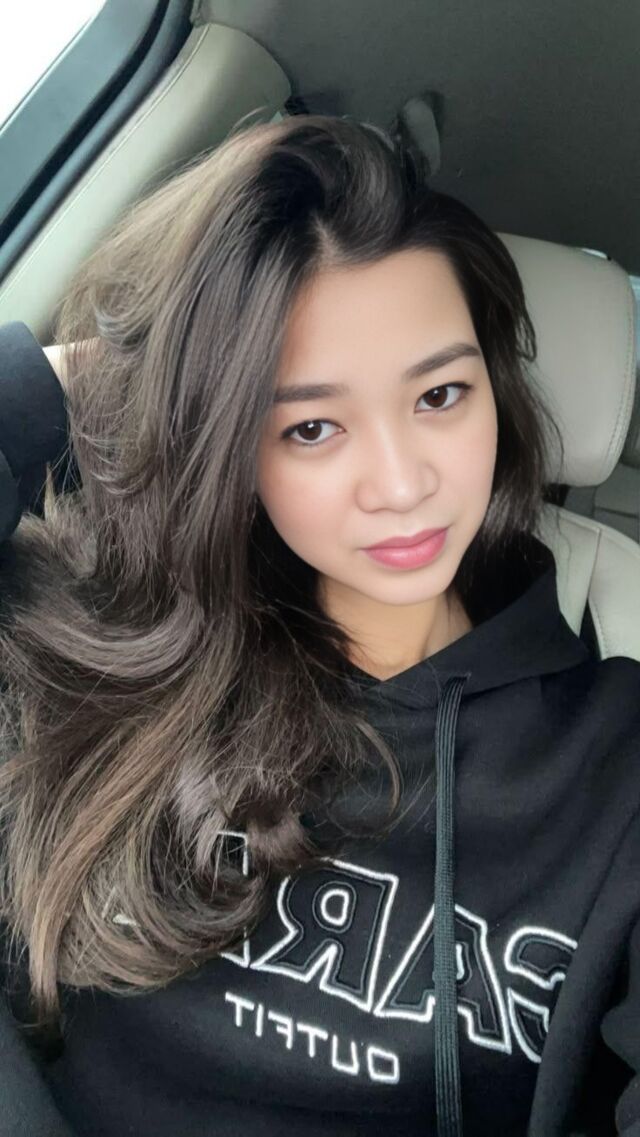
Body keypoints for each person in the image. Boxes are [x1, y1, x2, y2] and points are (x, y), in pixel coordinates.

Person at [0, 113, 638, 1137]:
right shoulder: (104, 645)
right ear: (226, 439)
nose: (401, 484)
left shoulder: (612, 771)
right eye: (310, 425)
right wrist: (124, 376)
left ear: (496, 391)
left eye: (440, 393)